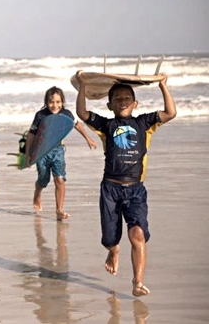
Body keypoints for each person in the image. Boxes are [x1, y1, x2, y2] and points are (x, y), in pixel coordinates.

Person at [75, 72, 176, 297]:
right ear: (110, 105)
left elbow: (171, 112)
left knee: (137, 234)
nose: (122, 102)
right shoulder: (106, 126)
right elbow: (82, 113)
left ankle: (137, 282)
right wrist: (83, 85)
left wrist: (163, 86)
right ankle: (113, 251)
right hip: (110, 189)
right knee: (110, 239)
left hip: (135, 190)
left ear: (135, 103)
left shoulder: (145, 123)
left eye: (126, 98)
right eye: (117, 99)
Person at [26, 86, 97, 220]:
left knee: (59, 179)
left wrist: (88, 138)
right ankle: (38, 192)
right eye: (51, 102)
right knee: (43, 179)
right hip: (41, 151)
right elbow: (31, 135)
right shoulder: (41, 115)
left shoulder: (66, 114)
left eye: (58, 102)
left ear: (62, 102)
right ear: (46, 102)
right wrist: (29, 154)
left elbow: (77, 124)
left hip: (58, 150)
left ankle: (59, 210)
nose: (55, 105)